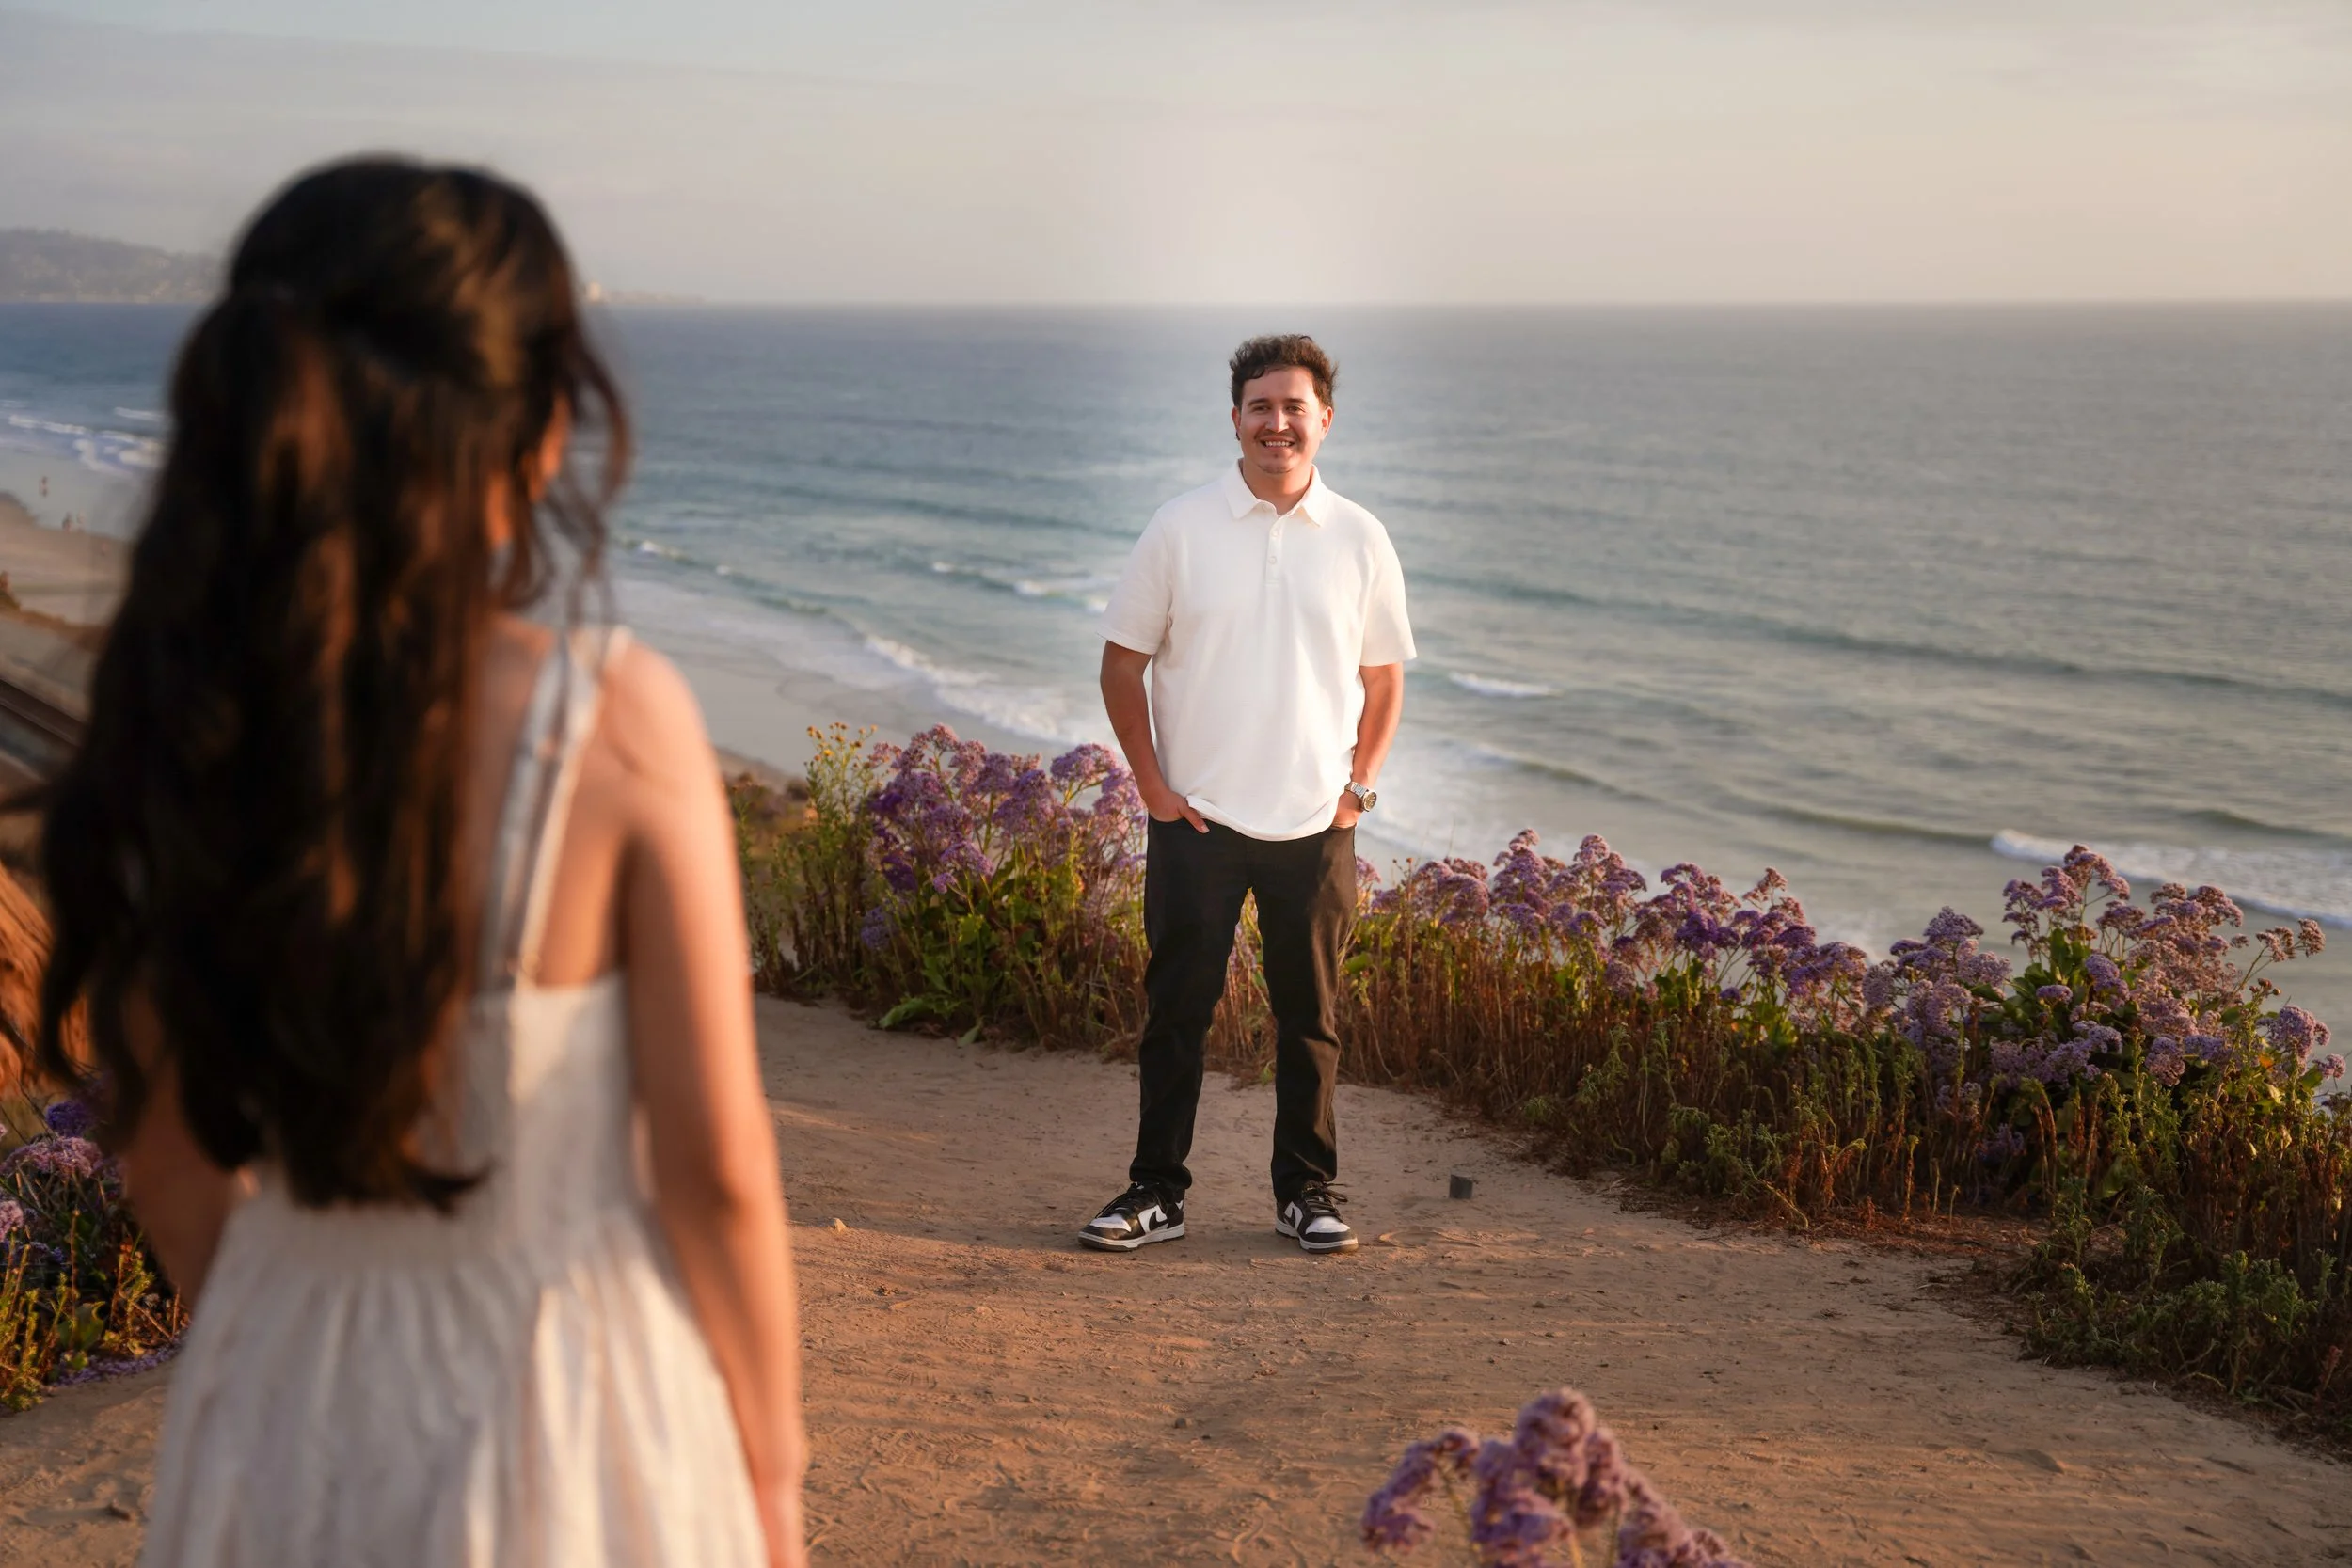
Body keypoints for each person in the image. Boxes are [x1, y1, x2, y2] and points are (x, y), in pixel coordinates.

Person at [26, 159, 806, 1567]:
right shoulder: (609, 721)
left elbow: (169, 1165)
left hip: (275, 1411)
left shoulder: (180, 725)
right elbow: (720, 1172)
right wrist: (771, 1473)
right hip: (558, 1410)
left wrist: (296, 1325)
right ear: (531, 429)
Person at [1083, 334, 1414, 1257]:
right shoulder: (1180, 526)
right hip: (1198, 818)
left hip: (1316, 824)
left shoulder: (1360, 537)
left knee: (1311, 1021)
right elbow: (1121, 664)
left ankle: (1304, 1192)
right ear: (1234, 419)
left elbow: (1384, 678)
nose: (1277, 423)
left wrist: (1359, 788)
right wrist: (1152, 786)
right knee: (1176, 1015)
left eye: (1293, 407)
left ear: (1324, 420)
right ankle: (1157, 1192)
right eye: (1260, 406)